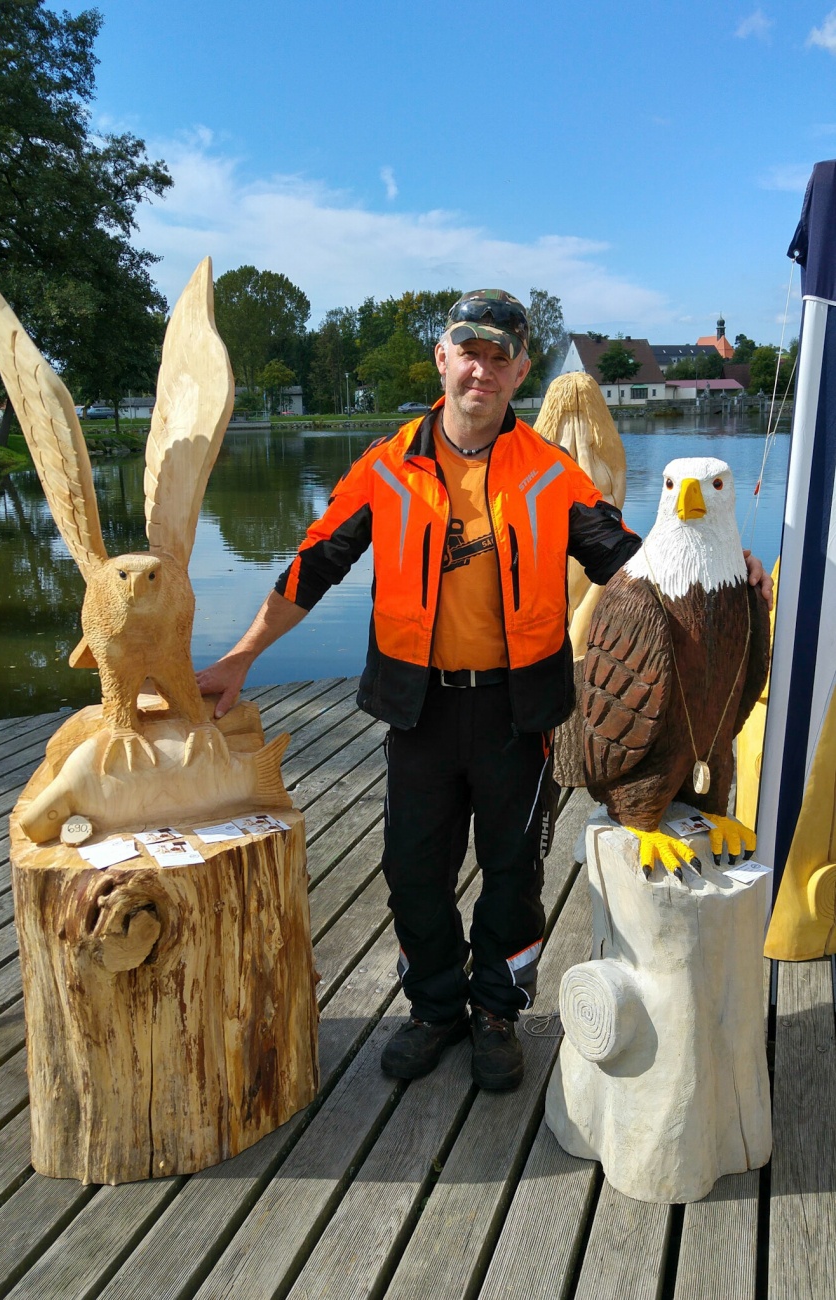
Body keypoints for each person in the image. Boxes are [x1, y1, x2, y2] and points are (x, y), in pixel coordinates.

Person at [197, 289, 772, 1093]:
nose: (482, 368)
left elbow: (630, 561)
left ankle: (496, 1012)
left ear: (520, 372)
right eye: (469, 350)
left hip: (519, 713)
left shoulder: (549, 473)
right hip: (418, 709)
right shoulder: (387, 466)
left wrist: (722, 564)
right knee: (412, 871)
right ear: (443, 359)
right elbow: (313, 564)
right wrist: (241, 656)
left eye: (501, 356)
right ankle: (436, 1010)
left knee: (513, 874)